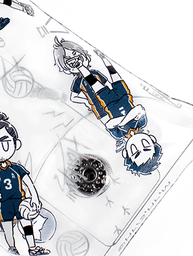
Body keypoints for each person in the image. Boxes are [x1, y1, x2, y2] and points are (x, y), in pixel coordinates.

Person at [53, 39, 162, 175]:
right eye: (146, 147)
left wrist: (122, 119)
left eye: (135, 153)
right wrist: (120, 120)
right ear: (152, 140)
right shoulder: (141, 123)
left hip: (107, 104)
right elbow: (137, 109)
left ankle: (82, 67)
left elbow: (110, 122)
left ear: (126, 154)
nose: (138, 146)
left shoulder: (120, 134)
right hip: (123, 96)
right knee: (115, 78)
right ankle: (103, 60)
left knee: (95, 84)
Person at [0, 112, 49, 256]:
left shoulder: (17, 168)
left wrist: (35, 198)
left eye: (5, 143)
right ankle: (11, 248)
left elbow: (29, 184)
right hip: (4, 205)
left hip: (20, 202)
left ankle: (32, 247)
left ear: (16, 144)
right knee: (7, 229)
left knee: (27, 225)